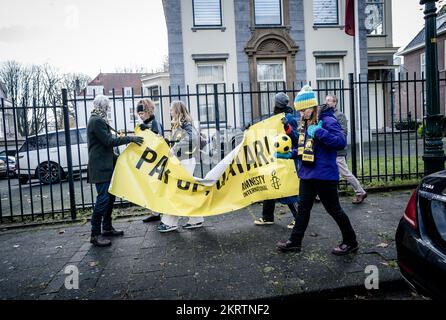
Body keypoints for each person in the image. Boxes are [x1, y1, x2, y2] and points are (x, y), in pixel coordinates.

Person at [276, 85, 358, 255]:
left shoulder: (327, 120)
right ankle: (295, 242)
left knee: (334, 209)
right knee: (303, 209)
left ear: (312, 107)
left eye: (303, 110)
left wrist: (320, 132)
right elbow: (304, 147)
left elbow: (340, 142)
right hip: (307, 174)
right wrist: (289, 154)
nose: (301, 114)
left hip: (324, 175)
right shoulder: (306, 122)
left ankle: (351, 241)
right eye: (299, 111)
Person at [87, 95, 144, 247]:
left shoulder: (99, 119)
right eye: (108, 107)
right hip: (100, 167)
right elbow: (108, 142)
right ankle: (95, 234)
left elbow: (105, 145)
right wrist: (130, 139)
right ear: (103, 107)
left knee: (110, 198)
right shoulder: (96, 121)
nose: (109, 109)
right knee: (103, 199)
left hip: (106, 165)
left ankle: (106, 228)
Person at [253, 92, 300, 229]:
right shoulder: (275, 118)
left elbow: (296, 139)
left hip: (287, 160)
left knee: (287, 189)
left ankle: (298, 218)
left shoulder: (289, 118)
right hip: (274, 158)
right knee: (270, 185)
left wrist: (287, 127)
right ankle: (267, 217)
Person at [158, 100, 204, 233]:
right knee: (184, 191)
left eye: (171, 109)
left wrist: (176, 147)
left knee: (176, 191)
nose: (170, 112)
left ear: (177, 111)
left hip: (185, 161)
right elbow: (180, 139)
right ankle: (196, 219)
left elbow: (193, 138)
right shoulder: (181, 123)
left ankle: (170, 222)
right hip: (184, 161)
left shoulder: (185, 123)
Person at [325, 95, 367, 204]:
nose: (327, 102)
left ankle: (360, 192)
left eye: (329, 100)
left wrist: (331, 139)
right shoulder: (325, 115)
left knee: (344, 172)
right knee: (327, 170)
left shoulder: (340, 116)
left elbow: (343, 132)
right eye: (326, 100)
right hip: (329, 149)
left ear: (335, 103)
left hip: (338, 149)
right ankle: (323, 194)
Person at [135, 99, 165, 223]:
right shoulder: (146, 123)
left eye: (142, 113)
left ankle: (158, 211)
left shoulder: (154, 123)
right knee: (150, 186)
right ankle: (155, 212)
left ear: (148, 111)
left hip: (155, 160)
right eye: (139, 114)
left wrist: (147, 130)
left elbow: (158, 140)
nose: (140, 116)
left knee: (156, 186)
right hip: (148, 160)